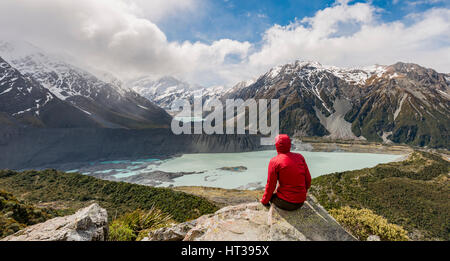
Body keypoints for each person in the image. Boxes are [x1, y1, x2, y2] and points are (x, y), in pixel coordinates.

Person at [260, 134, 311, 211]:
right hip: (300, 202)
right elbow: (308, 179)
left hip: (285, 202)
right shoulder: (300, 157)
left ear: (277, 146)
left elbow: (271, 185)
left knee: (271, 196)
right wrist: (302, 194)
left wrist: (264, 201)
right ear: (289, 145)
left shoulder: (274, 161)